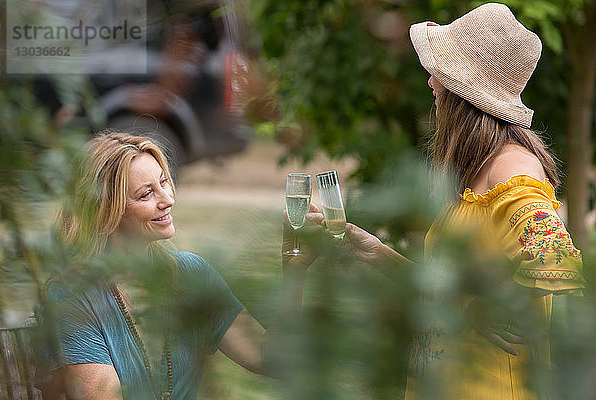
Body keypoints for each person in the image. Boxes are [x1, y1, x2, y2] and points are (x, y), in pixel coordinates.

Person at [338, 3, 585, 399]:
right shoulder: (480, 173)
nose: (431, 83)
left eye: (440, 71)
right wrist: (376, 253)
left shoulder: (513, 169)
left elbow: (554, 255)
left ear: (462, 90)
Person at [42, 132, 323, 399]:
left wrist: (295, 269)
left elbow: (271, 358)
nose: (168, 200)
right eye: (146, 194)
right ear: (105, 212)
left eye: (164, 182)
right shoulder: (73, 295)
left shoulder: (191, 275)